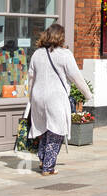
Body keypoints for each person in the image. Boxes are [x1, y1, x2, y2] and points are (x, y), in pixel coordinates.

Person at [25, 23, 92, 176]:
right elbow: (76, 77)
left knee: (42, 128)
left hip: (37, 96)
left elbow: (31, 77)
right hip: (55, 97)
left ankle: (42, 160)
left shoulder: (37, 54)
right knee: (56, 130)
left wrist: (30, 96)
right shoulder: (64, 54)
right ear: (61, 37)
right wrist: (88, 94)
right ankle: (48, 167)